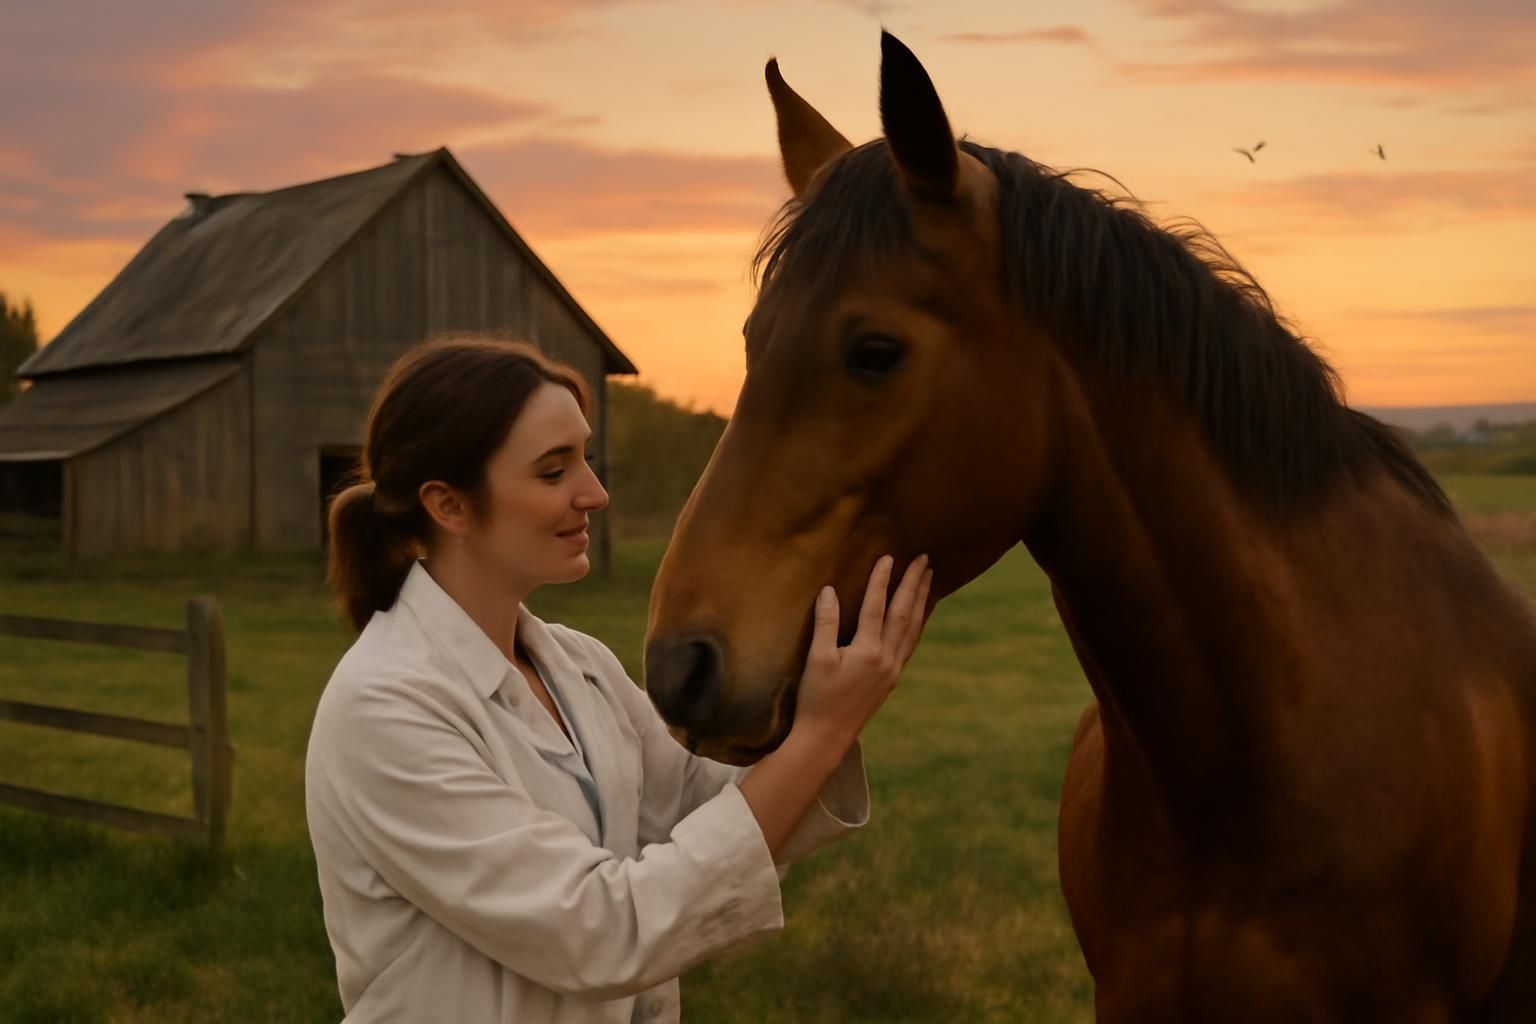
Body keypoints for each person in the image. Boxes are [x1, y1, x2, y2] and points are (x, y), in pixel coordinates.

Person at [305, 336, 933, 1023]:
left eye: (587, 459)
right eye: (553, 471)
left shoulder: (579, 666)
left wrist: (829, 694)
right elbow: (601, 932)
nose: (595, 494)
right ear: (449, 505)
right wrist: (821, 733)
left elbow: (701, 816)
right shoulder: (385, 709)